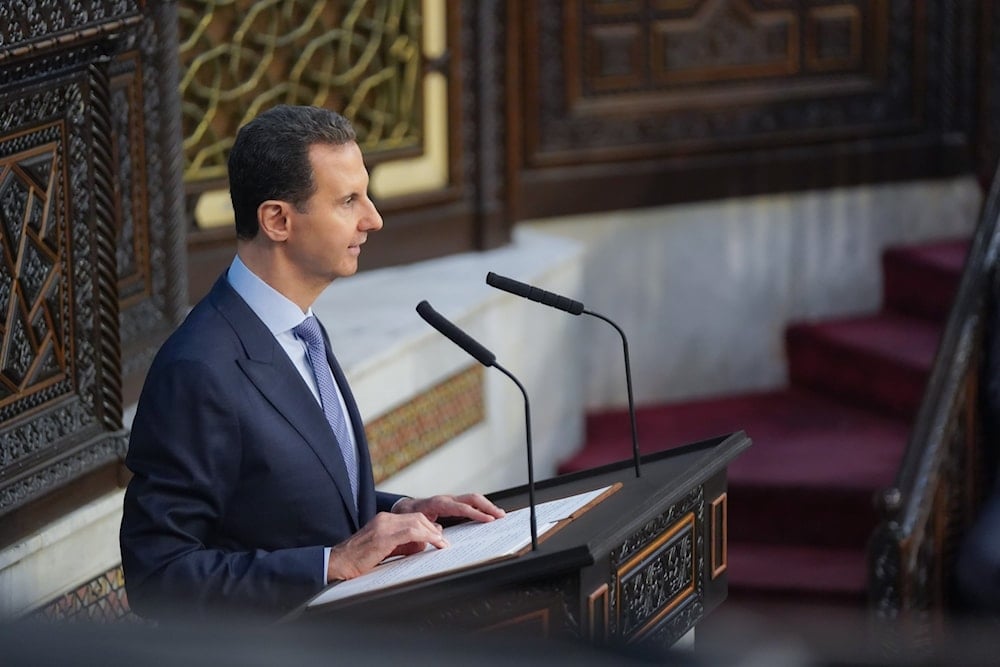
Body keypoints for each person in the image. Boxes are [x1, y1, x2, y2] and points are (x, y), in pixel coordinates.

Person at [120, 105, 505, 620]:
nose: (374, 218)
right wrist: (331, 562)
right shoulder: (198, 369)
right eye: (348, 201)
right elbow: (159, 577)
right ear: (277, 219)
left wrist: (399, 510)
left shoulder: (302, 329)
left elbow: (288, 502)